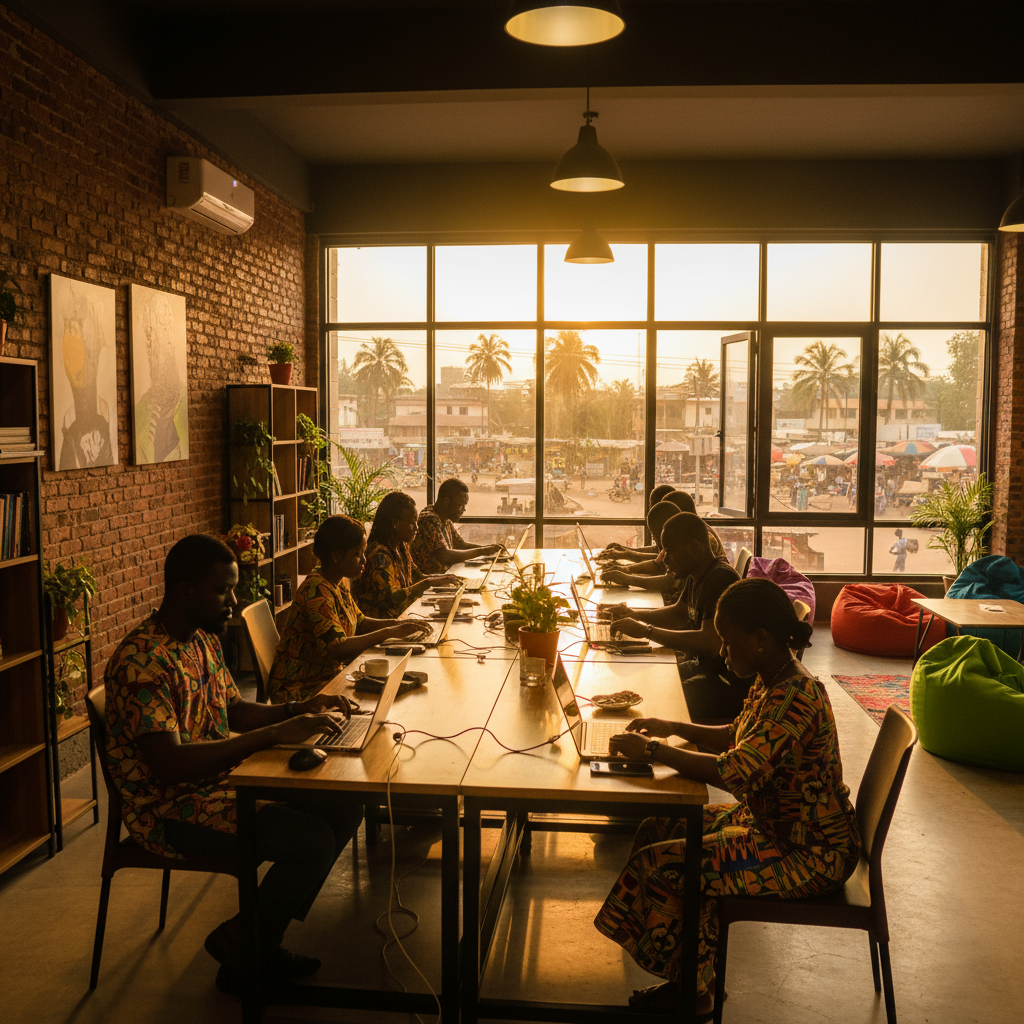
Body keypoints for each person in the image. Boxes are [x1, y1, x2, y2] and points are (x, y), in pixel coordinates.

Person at [103, 534, 364, 995]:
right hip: (173, 810)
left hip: (220, 783)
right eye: (223, 590)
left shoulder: (199, 640)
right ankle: (246, 946)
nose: (233, 602)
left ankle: (253, 941)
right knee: (312, 842)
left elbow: (235, 711)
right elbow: (170, 767)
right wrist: (270, 737)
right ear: (184, 591)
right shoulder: (143, 660)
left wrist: (299, 709)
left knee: (345, 803)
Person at [594, 578, 861, 1015]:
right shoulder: (772, 676)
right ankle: (692, 980)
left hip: (810, 852)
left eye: (726, 641)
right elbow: (736, 736)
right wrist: (674, 728)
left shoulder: (796, 698)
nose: (720, 652)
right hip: (774, 828)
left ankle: (694, 994)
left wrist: (655, 752)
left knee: (669, 862)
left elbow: (733, 771)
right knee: (656, 830)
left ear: (759, 640)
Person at [604, 512, 753, 721]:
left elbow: (709, 643)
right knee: (649, 678)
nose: (665, 559)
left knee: (662, 698)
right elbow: (679, 612)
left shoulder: (720, 578)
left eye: (670, 552)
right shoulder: (698, 573)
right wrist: (634, 614)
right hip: (704, 668)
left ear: (694, 547)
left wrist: (646, 631)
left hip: (724, 681)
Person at [268, 515, 427, 704]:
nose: (363, 561)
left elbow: (360, 622)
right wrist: (389, 632)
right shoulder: (316, 590)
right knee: (388, 696)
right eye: (357, 554)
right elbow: (337, 649)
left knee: (398, 687)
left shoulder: (335, 581)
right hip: (300, 690)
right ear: (336, 557)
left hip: (328, 677)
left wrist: (398, 624)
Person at [352, 491, 461, 618]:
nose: (416, 527)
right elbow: (391, 599)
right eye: (411, 522)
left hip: (400, 618)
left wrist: (445, 579)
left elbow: (417, 577)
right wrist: (429, 583)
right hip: (383, 628)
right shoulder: (380, 555)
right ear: (394, 523)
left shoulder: (400, 546)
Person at [409, 477, 502, 574]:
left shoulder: (444, 518)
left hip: (445, 578)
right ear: (446, 502)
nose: (464, 510)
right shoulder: (429, 520)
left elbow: (460, 544)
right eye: (461, 505)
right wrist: (483, 551)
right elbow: (445, 556)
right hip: (432, 583)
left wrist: (490, 550)